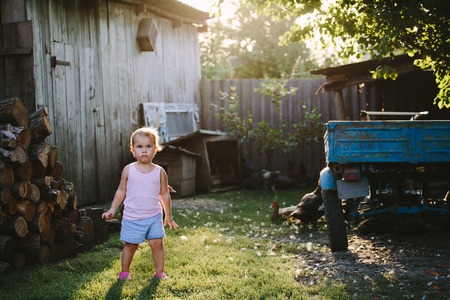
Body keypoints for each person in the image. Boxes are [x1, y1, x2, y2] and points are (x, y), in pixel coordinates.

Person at [102, 127, 178, 280]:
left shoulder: (160, 172)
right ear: (133, 150)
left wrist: (168, 216)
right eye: (139, 147)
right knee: (131, 245)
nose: (144, 150)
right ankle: (124, 272)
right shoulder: (129, 170)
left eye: (148, 146)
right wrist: (112, 208)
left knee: (157, 243)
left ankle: (159, 273)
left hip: (154, 216)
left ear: (155, 150)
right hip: (132, 217)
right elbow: (121, 191)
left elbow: (164, 194)